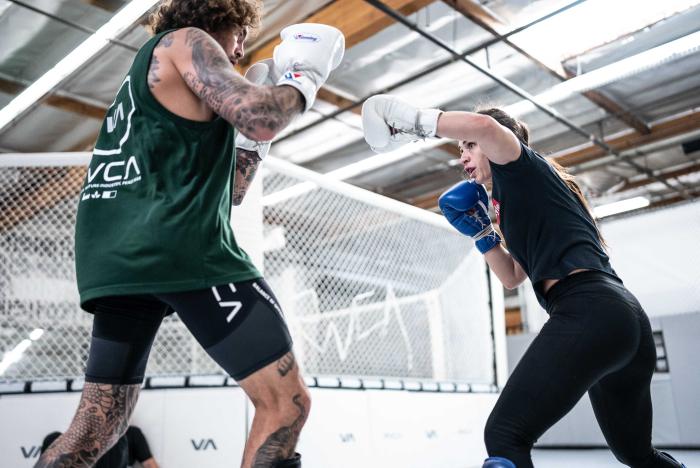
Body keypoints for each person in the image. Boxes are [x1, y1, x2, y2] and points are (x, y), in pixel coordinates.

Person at [35, 0, 344, 466]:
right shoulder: (187, 42)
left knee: (97, 427)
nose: (240, 50)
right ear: (220, 15)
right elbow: (262, 114)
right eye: (240, 34)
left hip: (117, 259)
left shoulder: (152, 81)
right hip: (177, 245)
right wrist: (302, 76)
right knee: (286, 404)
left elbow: (234, 191)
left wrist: (252, 142)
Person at [361, 95, 686, 468]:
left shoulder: (523, 168)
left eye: (468, 147)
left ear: (499, 143)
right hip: (622, 319)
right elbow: (512, 277)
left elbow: (483, 126)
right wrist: (482, 233)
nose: (462, 156)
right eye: (461, 149)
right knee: (635, 453)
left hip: (590, 309)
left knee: (505, 434)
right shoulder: (514, 202)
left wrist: (413, 120)